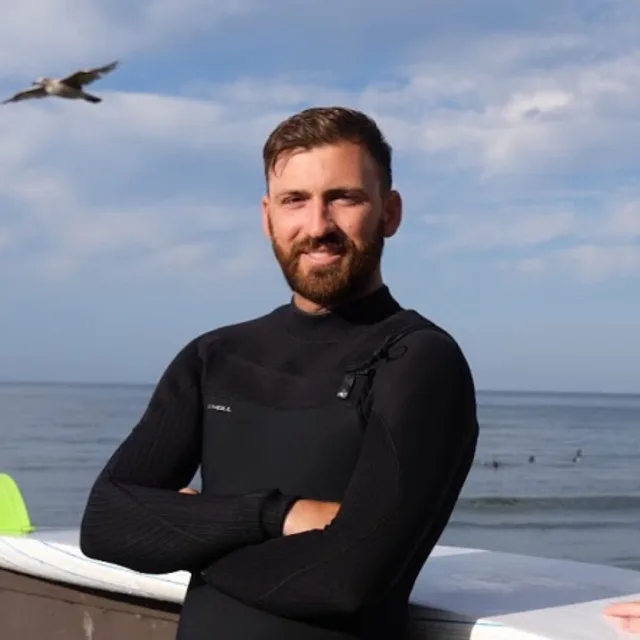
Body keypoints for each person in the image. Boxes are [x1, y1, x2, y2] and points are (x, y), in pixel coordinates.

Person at [79, 106, 479, 639]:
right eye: (296, 201)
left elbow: (345, 579)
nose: (318, 227)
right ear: (268, 216)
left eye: (344, 198)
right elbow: (105, 524)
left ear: (389, 213)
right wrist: (277, 517)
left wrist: (187, 537)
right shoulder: (214, 356)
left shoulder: (419, 361)